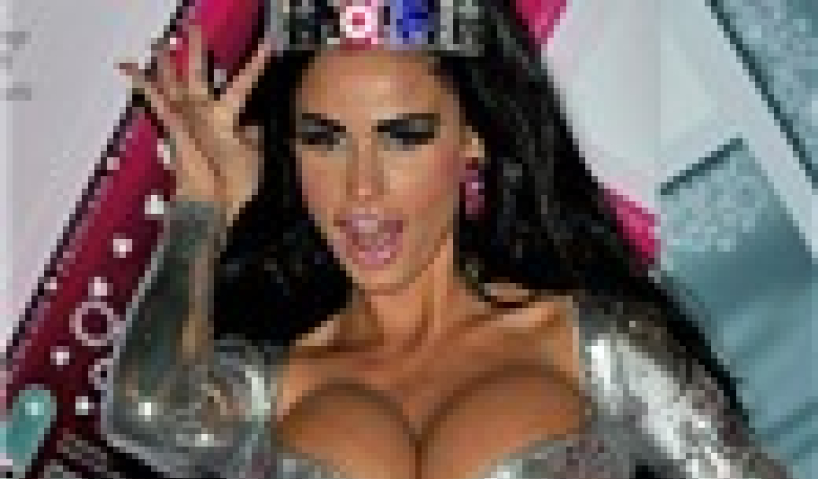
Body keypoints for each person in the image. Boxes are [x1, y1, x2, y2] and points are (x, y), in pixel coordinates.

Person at [102, 1, 792, 478]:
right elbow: (145, 410)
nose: (361, 189)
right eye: (323, 139)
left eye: (403, 137)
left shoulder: (599, 349)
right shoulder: (270, 386)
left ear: (473, 139)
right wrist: (201, 208)